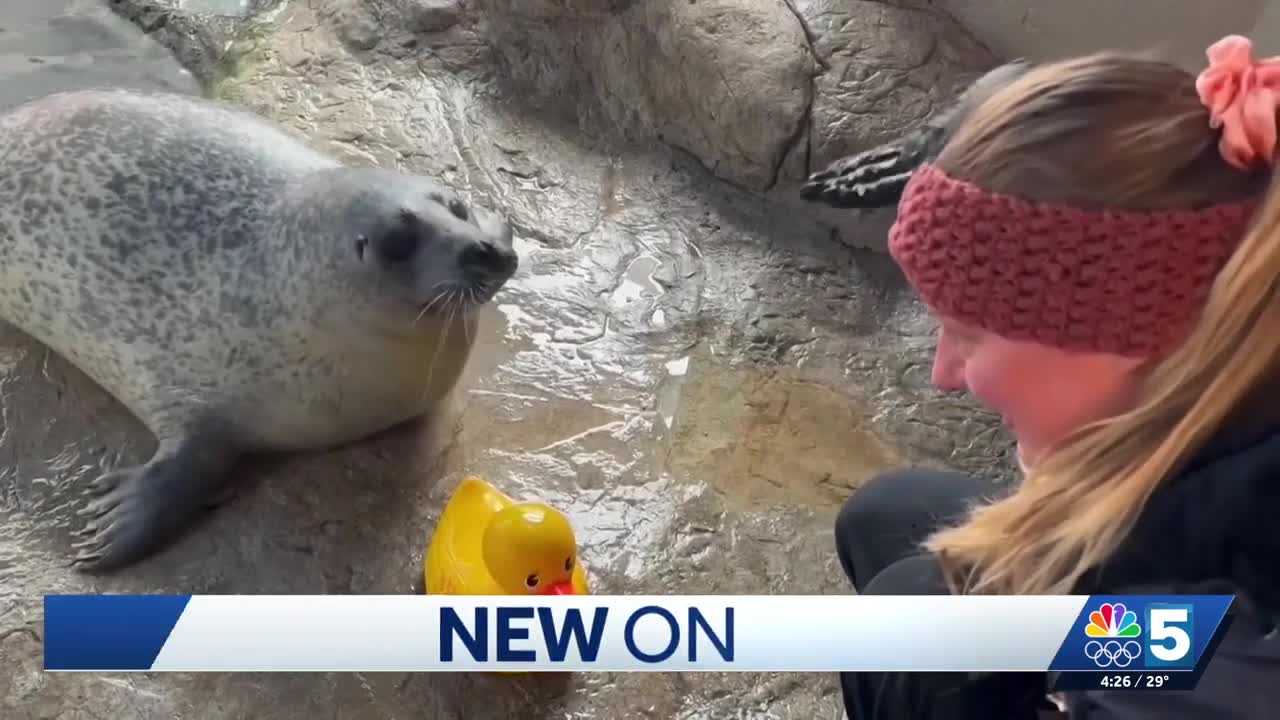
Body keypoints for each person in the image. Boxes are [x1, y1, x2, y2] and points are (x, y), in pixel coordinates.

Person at [833, 35, 1280, 719]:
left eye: (969, 334)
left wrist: (1073, 692)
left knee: (905, 631)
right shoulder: (1234, 337)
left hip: (1180, 652)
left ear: (1130, 331)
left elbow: (1180, 663)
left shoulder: (1225, 660)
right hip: (1168, 605)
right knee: (888, 516)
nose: (943, 374)